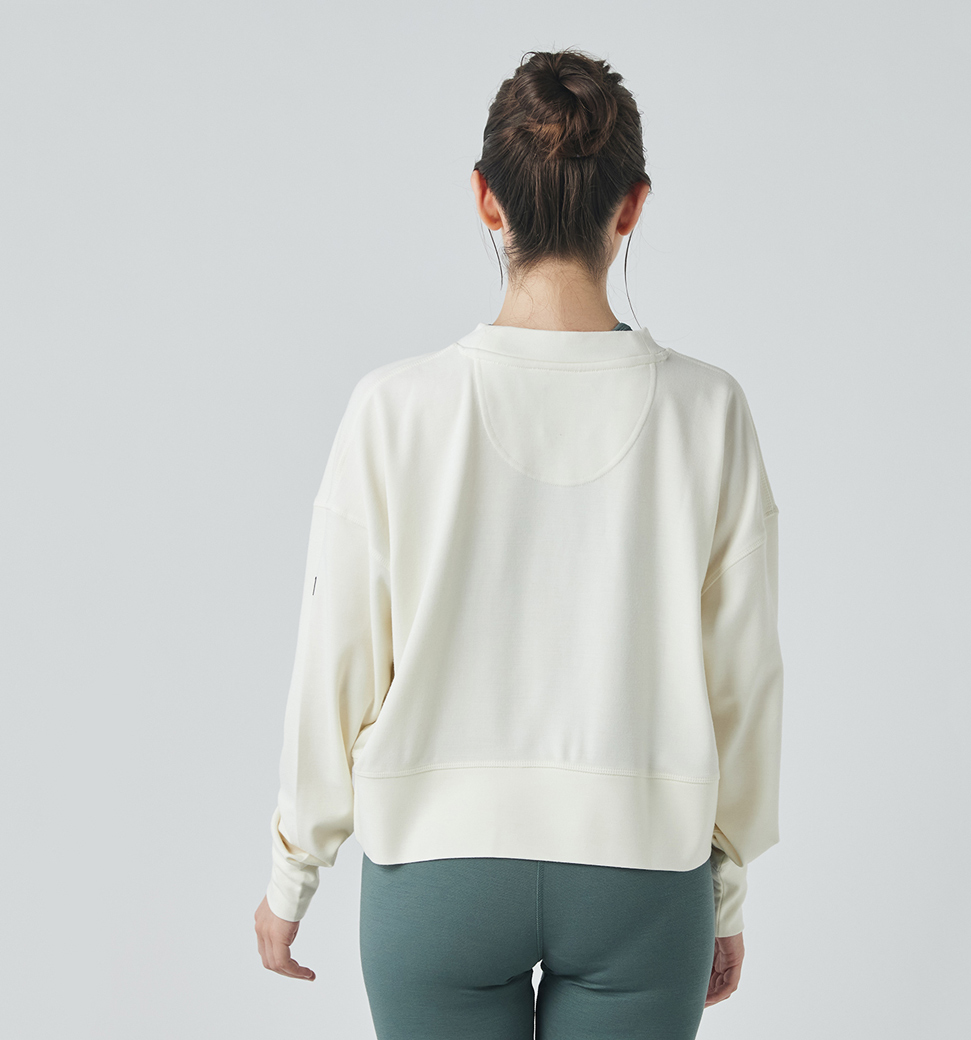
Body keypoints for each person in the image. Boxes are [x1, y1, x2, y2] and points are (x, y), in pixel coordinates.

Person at [254, 47, 783, 1040]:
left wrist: (293, 871)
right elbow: (744, 678)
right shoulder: (709, 412)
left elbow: (336, 660)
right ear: (631, 207)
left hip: (435, 868)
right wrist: (724, 891)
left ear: (485, 199)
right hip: (641, 871)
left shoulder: (393, 409)